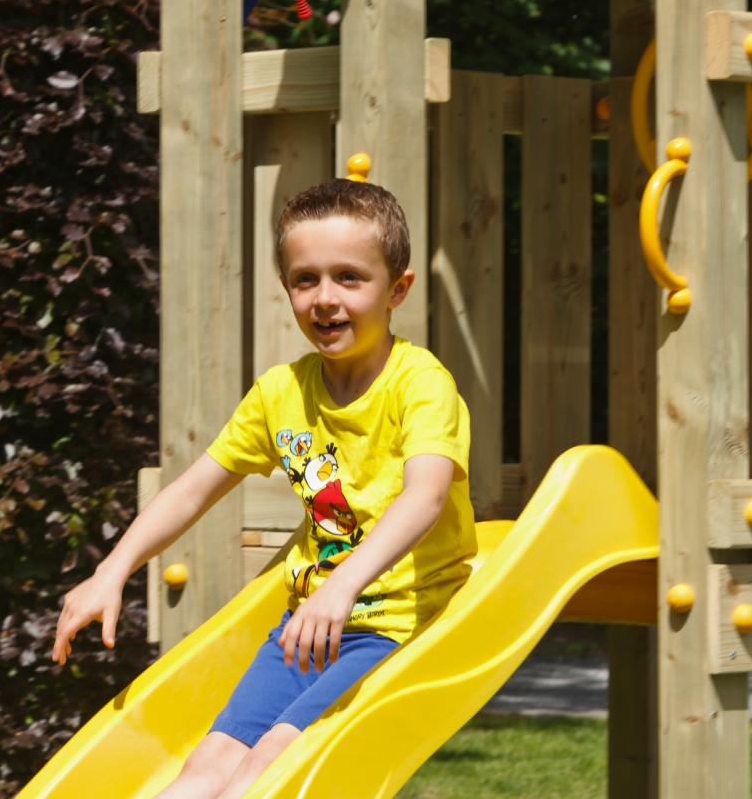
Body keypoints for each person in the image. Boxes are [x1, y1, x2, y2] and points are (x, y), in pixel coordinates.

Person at [51, 177, 476, 799]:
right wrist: (112, 571)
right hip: (307, 623)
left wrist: (343, 589)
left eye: (350, 278)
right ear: (288, 289)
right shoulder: (281, 393)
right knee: (204, 769)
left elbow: (425, 497)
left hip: (397, 621)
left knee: (267, 772)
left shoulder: (420, 384)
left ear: (397, 290)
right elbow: (191, 490)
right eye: (306, 280)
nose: (325, 298)